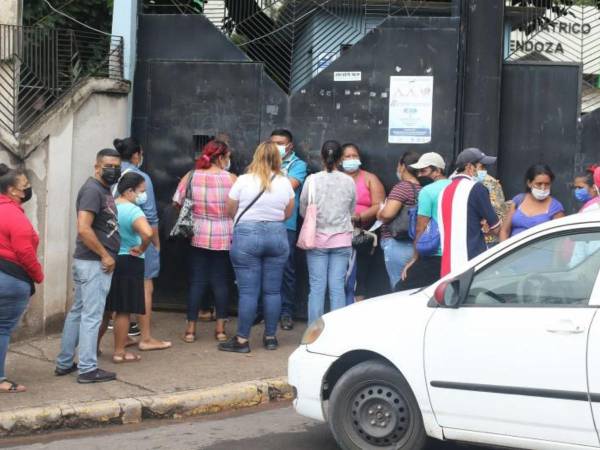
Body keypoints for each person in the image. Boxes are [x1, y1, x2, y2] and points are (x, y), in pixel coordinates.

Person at [219, 141, 294, 353]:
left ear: (256, 156)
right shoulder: (284, 182)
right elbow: (287, 213)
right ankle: (270, 338)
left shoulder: (243, 180)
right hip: (277, 235)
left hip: (247, 236)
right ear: (277, 159)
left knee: (248, 293)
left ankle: (242, 340)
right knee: (272, 291)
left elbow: (230, 209)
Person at [55, 149, 121, 384]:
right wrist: (105, 255)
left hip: (90, 262)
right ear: (97, 167)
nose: (114, 170)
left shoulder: (102, 190)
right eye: (109, 166)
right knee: (91, 316)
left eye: (117, 166)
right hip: (94, 263)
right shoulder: (93, 190)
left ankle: (64, 363)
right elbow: (84, 228)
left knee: (78, 312)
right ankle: (87, 368)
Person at [173, 140, 236, 343]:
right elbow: (239, 207)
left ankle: (190, 331)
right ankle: (220, 331)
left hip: (197, 234)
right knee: (220, 282)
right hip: (224, 234)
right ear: (220, 157)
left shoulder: (191, 176)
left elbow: (177, 202)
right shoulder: (232, 179)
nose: (228, 160)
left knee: (197, 282)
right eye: (227, 157)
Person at [113, 137, 171, 351]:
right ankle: (145, 337)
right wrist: (155, 243)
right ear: (136, 155)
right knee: (146, 286)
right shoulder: (140, 177)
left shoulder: (112, 174)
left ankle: (120, 339)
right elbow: (151, 215)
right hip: (136, 242)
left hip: (114, 242)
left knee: (117, 291)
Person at [98, 173, 153, 363]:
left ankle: (93, 348)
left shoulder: (109, 206)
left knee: (105, 309)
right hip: (130, 261)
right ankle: (120, 352)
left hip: (109, 260)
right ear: (130, 191)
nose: (143, 195)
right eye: (141, 191)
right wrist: (142, 247)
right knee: (123, 310)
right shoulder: (133, 211)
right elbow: (147, 233)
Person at [301, 140, 356, 325]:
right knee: (337, 288)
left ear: (322, 157)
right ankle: (337, 333)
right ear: (340, 158)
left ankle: (312, 332)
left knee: (316, 287)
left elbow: (303, 210)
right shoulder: (349, 181)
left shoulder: (312, 180)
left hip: (316, 240)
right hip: (342, 240)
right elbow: (351, 210)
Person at [0, 164, 44, 393]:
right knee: (2, 328)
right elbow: (25, 251)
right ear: (11, 191)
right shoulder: (13, 215)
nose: (27, 190)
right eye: (24, 187)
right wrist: (38, 274)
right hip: (10, 278)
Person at [437, 148, 501, 277]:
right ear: (469, 167)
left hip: (447, 265)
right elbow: (496, 227)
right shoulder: (476, 188)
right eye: (481, 166)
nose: (483, 171)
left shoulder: (444, 190)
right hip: (472, 262)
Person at [269, 129, 307, 331]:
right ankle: (265, 312)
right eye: (273, 142)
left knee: (287, 270)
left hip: (286, 225)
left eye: (281, 143)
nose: (277, 146)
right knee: (264, 269)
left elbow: (289, 186)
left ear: (290, 145)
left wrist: (265, 179)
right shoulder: (262, 162)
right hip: (263, 223)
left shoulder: (298, 165)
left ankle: (286, 312)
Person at [397, 152, 450, 291]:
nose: (420, 175)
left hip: (434, 254)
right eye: (418, 171)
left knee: (402, 291)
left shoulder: (427, 191)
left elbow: (421, 226)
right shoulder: (455, 187)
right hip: (454, 254)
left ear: (438, 170)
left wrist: (415, 258)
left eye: (424, 170)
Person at [340, 143, 385, 302]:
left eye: (355, 156)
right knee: (338, 277)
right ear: (340, 159)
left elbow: (379, 205)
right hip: (337, 235)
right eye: (347, 156)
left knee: (359, 277)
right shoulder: (335, 178)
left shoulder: (369, 178)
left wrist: (359, 217)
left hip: (361, 236)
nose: (352, 159)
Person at [377, 151, 421, 290]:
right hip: (413, 244)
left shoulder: (402, 187)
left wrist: (380, 212)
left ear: (402, 166)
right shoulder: (421, 188)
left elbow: (388, 214)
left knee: (398, 287)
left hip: (397, 244)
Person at [500, 164, 565, 240]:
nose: (543, 188)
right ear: (529, 183)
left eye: (547, 184)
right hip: (515, 250)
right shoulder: (519, 200)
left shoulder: (555, 207)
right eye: (539, 184)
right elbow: (504, 231)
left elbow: (560, 238)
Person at [475, 161, 506, 248]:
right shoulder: (492, 182)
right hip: (490, 238)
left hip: (473, 237)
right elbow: (501, 212)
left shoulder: (458, 183)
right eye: (482, 167)